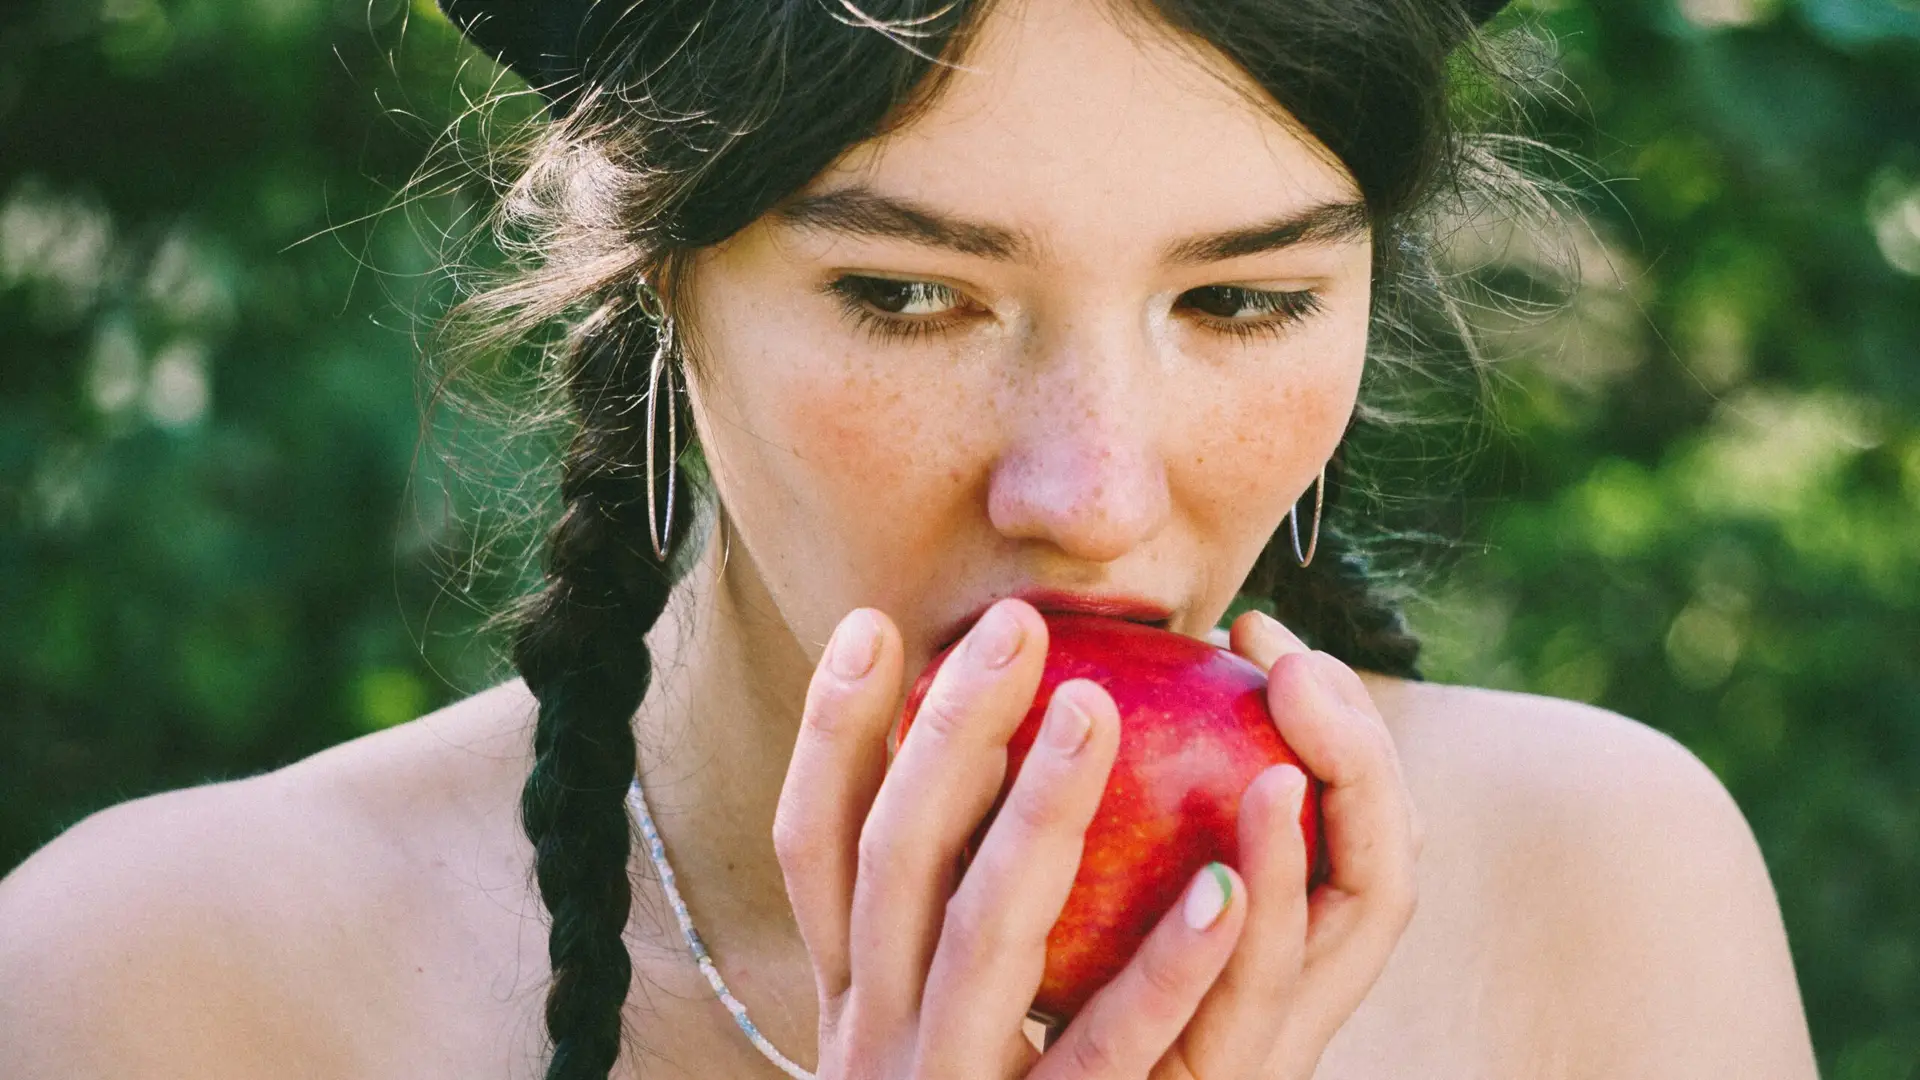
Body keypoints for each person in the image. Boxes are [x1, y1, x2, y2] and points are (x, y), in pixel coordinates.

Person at [0, 0, 1819, 1077]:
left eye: (1247, 302)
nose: (1096, 495)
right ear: (657, 282)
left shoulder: (1599, 896)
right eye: (908, 294)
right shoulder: (156, 985)